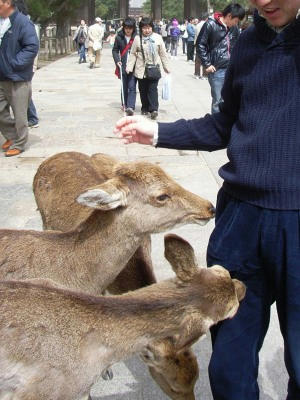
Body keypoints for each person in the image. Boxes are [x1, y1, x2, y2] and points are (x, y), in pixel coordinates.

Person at [114, 1, 300, 399]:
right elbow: (223, 124)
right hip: (241, 225)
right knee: (229, 365)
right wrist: (159, 133)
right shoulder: (248, 44)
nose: (264, 2)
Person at [0, 0, 39, 157]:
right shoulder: (2, 22)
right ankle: (12, 135)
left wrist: (14, 64)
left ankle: (19, 143)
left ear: (7, 2)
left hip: (18, 77)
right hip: (2, 76)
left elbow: (31, 47)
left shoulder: (23, 22)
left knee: (20, 113)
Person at [196, 4, 245, 113]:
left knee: (230, 99)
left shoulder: (234, 28)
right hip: (217, 69)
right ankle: (216, 126)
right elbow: (200, 44)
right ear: (229, 16)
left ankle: (226, 123)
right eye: (236, 21)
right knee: (218, 100)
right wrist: (207, 64)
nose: (236, 24)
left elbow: (237, 45)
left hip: (231, 68)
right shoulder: (210, 24)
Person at [126, 17, 170, 120]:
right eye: (144, 28)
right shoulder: (137, 39)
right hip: (141, 69)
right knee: (143, 90)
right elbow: (132, 54)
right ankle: (145, 107)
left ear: (152, 28)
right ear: (141, 28)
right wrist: (129, 67)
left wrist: (166, 67)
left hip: (154, 68)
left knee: (153, 89)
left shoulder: (158, 38)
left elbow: (163, 54)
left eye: (149, 27)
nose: (147, 30)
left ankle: (154, 109)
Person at [112, 17, 137, 116]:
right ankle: (124, 103)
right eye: (126, 28)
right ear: (123, 28)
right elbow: (114, 50)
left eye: (130, 28)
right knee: (124, 86)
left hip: (133, 66)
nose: (128, 30)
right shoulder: (119, 37)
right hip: (122, 66)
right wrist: (117, 61)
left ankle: (130, 106)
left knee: (132, 86)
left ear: (133, 28)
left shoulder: (136, 38)